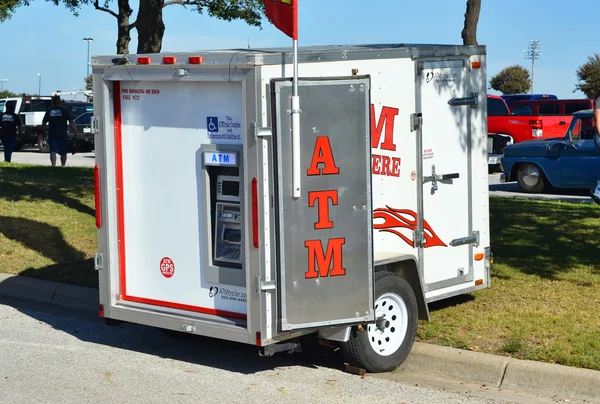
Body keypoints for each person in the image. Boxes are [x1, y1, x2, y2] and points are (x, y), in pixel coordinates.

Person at [42, 96, 79, 167]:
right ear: (60, 102)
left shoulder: (49, 111)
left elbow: (43, 123)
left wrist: (44, 132)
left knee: (53, 150)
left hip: (52, 134)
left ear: (53, 102)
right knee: (63, 152)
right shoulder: (65, 110)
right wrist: (75, 132)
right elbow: (71, 122)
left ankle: (53, 165)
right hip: (63, 134)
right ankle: (63, 165)